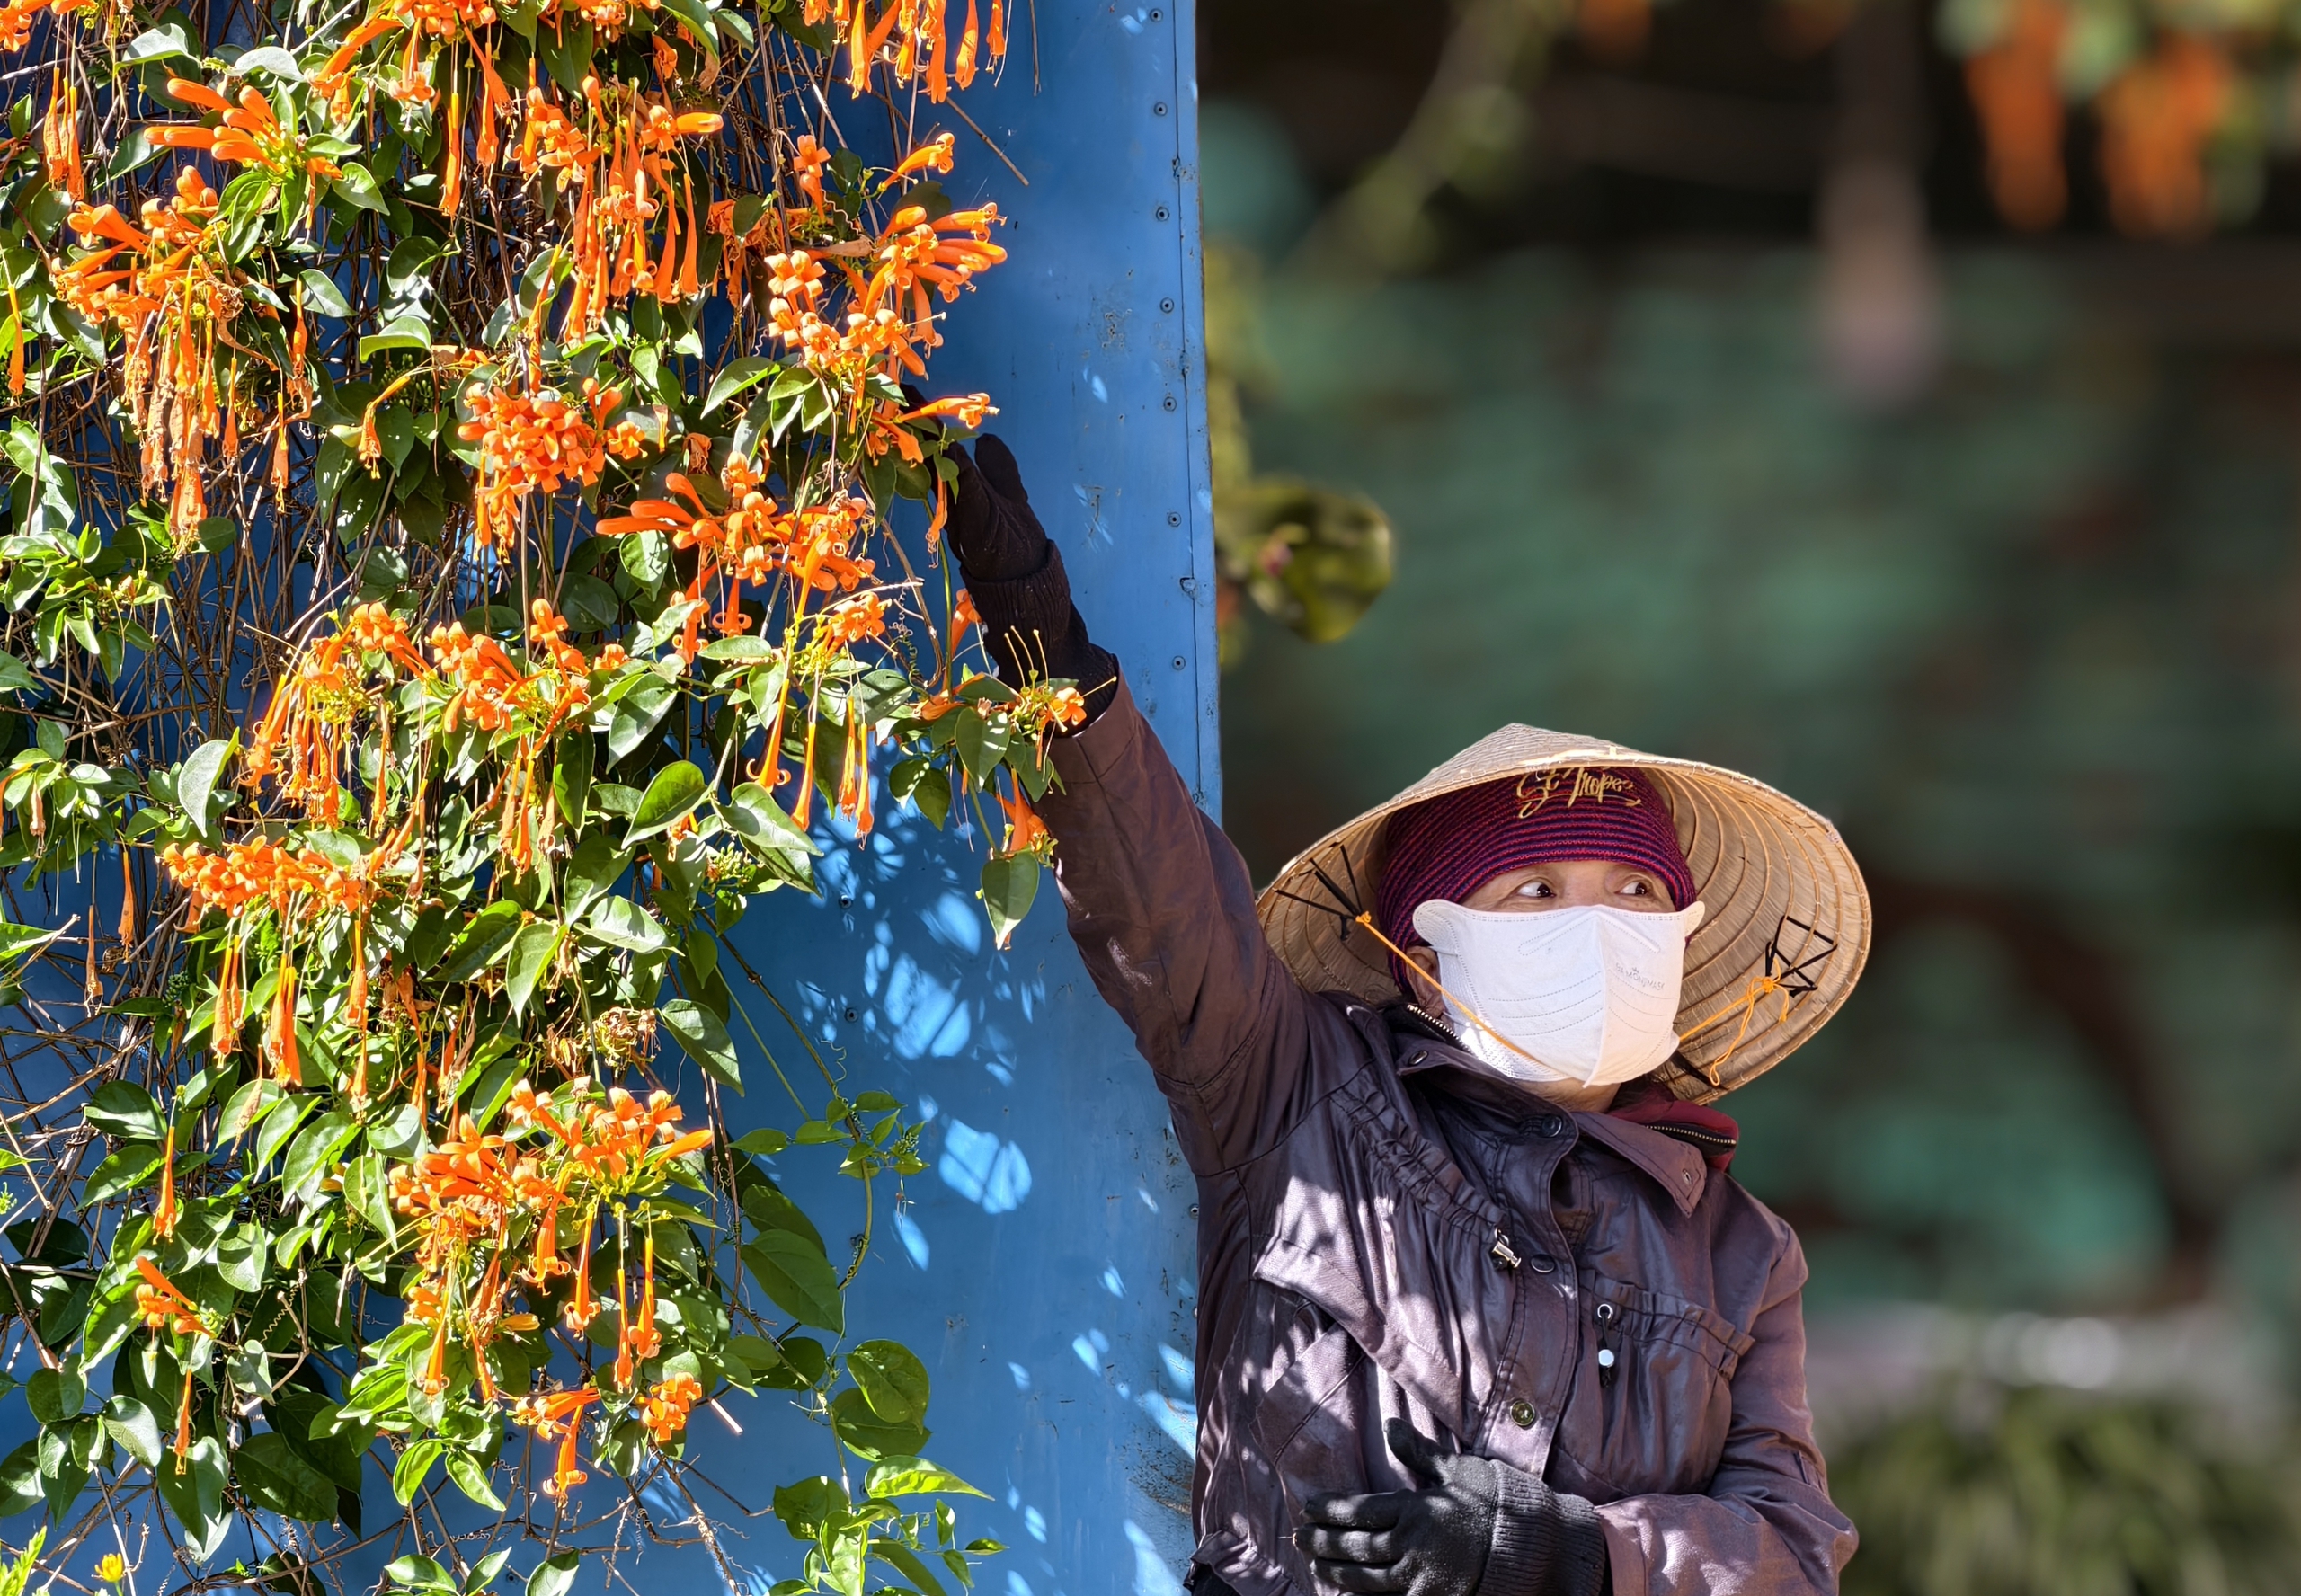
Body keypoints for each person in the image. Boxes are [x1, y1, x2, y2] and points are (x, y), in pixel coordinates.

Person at [942, 435, 1865, 1596]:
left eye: (1636, 892)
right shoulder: (1297, 1090)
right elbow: (1164, 907)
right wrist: (1057, 670)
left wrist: (1570, 1551)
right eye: (1536, 892)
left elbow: (1794, 1553)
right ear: (1423, 957)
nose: (1598, 924)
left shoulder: (1742, 1252)